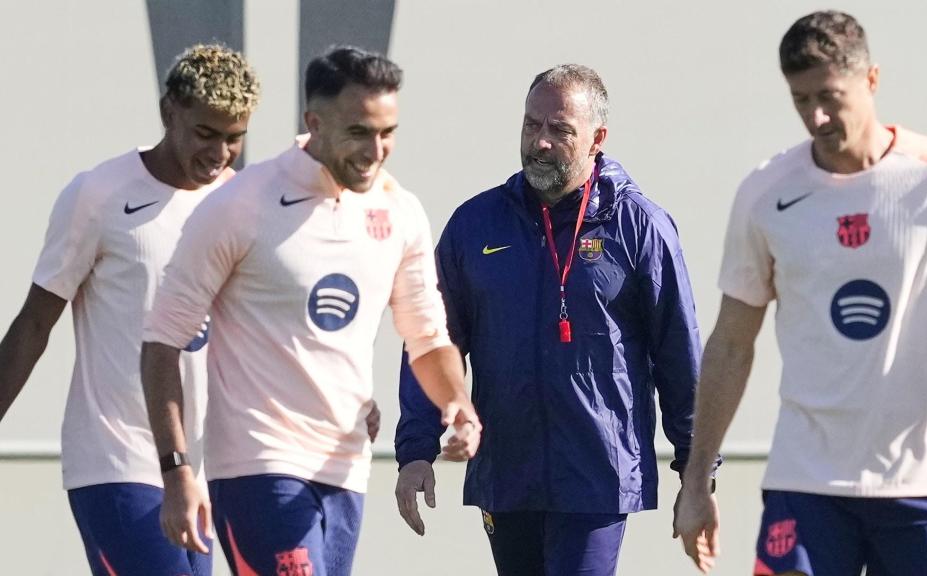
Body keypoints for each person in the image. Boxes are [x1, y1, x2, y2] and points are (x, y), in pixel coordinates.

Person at [677, 10, 927, 576]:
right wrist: (695, 483)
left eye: (830, 97)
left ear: (872, 80)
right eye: (800, 100)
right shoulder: (766, 194)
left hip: (925, 482)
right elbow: (731, 345)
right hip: (803, 482)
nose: (817, 116)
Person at [140, 45, 480, 576]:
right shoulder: (239, 205)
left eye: (387, 132)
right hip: (256, 465)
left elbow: (428, 337)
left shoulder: (401, 211)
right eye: (358, 133)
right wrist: (177, 471)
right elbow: (162, 341)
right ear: (314, 124)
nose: (376, 150)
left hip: (345, 466)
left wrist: (457, 404)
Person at [394, 64, 708, 576]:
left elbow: (680, 352)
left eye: (559, 130)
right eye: (530, 125)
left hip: (597, 476)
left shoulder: (639, 226)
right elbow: (433, 339)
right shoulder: (475, 224)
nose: (539, 143)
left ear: (596, 138)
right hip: (507, 472)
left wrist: (697, 473)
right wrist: (415, 450)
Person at [0, 44, 260, 575]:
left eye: (234, 138)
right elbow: (33, 324)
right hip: (116, 460)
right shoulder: (99, 194)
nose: (220, 153)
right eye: (205, 134)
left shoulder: (238, 201)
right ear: (169, 113)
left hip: (202, 468)